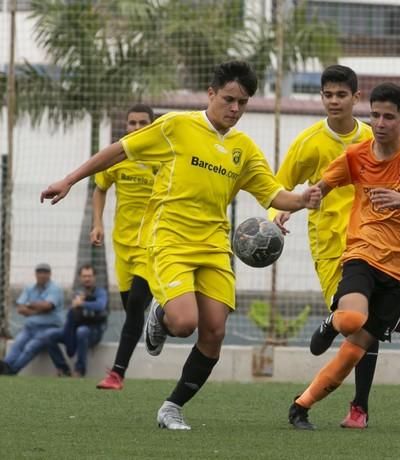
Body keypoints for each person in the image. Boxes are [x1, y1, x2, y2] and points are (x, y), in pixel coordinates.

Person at [41, 61, 322, 430]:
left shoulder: (245, 149)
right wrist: (69, 179)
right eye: (228, 99)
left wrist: (303, 198)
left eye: (243, 103)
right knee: (185, 322)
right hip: (170, 237)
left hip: (214, 245)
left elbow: (273, 194)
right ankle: (160, 316)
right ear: (211, 93)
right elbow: (121, 150)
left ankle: (172, 406)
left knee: (215, 331)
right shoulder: (177, 126)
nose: (235, 109)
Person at [287, 82, 400, 430]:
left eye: (389, 116)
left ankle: (301, 406)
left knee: (356, 348)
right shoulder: (357, 156)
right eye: (375, 115)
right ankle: (331, 322)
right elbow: (321, 187)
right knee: (349, 321)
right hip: (363, 252)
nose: (381, 123)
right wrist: (299, 203)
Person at [273, 65, 394, 428]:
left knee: (368, 325)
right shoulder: (310, 142)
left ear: (356, 98)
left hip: (373, 241)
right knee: (352, 322)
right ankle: (331, 322)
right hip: (329, 245)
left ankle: (359, 407)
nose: (334, 101)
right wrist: (280, 212)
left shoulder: (376, 138)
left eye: (341, 95)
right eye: (328, 95)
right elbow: (279, 184)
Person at [92, 104, 158, 390]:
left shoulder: (163, 157)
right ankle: (160, 316)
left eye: (142, 123)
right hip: (123, 246)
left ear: (152, 125)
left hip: (153, 243)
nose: (135, 128)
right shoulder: (117, 157)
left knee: (134, 307)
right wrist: (97, 224)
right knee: (133, 308)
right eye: (131, 123)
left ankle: (117, 373)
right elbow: (100, 188)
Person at [0, 263, 64, 375]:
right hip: (30, 327)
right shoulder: (29, 287)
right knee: (17, 344)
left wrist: (29, 305)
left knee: (30, 347)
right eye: (40, 272)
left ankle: (11, 371)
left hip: (48, 328)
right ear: (35, 274)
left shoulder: (55, 288)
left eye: (45, 272)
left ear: (50, 274)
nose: (42, 275)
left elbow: (48, 306)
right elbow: (20, 308)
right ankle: (4, 366)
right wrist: (39, 309)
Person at [48, 264, 109, 377]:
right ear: (80, 278)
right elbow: (73, 312)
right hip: (75, 329)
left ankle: (79, 370)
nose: (87, 279)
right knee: (50, 335)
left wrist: (82, 303)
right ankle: (63, 368)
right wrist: (78, 303)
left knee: (82, 331)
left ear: (94, 277)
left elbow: (100, 305)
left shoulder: (100, 292)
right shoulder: (77, 293)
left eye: (89, 276)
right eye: (84, 276)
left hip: (94, 330)